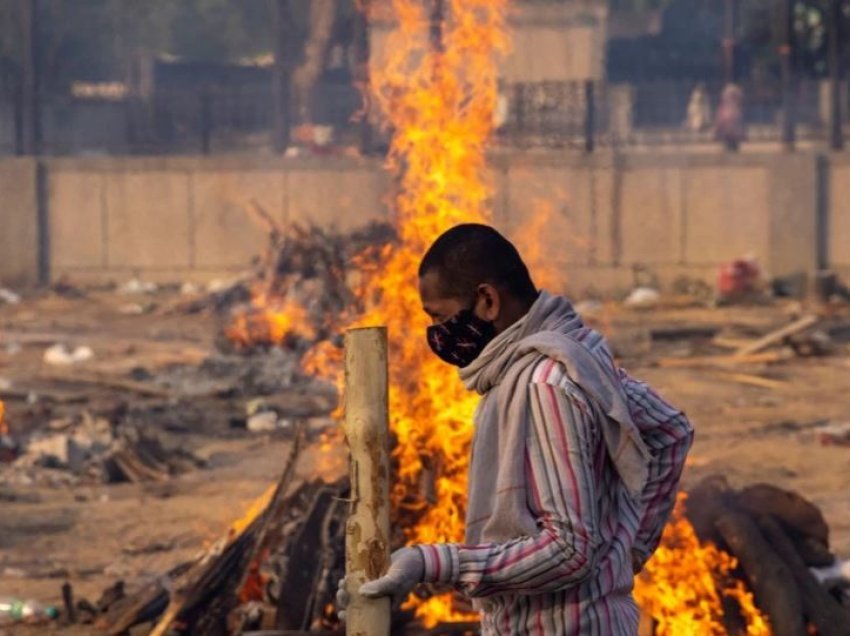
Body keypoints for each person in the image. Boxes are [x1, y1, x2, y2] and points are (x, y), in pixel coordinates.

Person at [339, 224, 693, 634]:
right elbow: (670, 431)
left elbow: (569, 551)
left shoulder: (543, 384)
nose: (436, 334)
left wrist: (432, 563)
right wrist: (627, 549)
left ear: (487, 300)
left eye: (439, 317)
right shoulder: (574, 351)